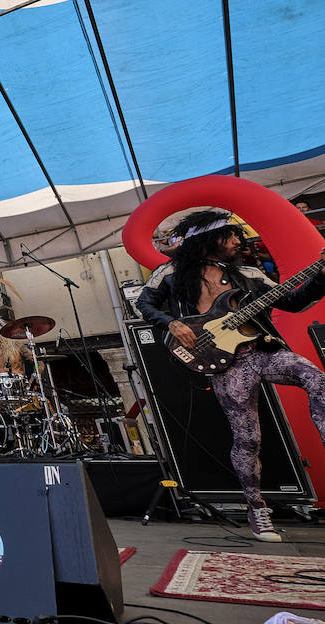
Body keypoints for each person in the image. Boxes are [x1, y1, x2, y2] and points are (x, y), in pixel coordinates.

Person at [136, 209, 325, 542]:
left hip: (263, 351)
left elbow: (294, 301)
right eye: (232, 236)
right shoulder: (170, 272)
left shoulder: (248, 273)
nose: (239, 241)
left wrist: (322, 277)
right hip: (225, 363)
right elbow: (146, 303)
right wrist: (171, 323)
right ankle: (257, 509)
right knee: (247, 438)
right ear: (211, 239)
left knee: (316, 379)